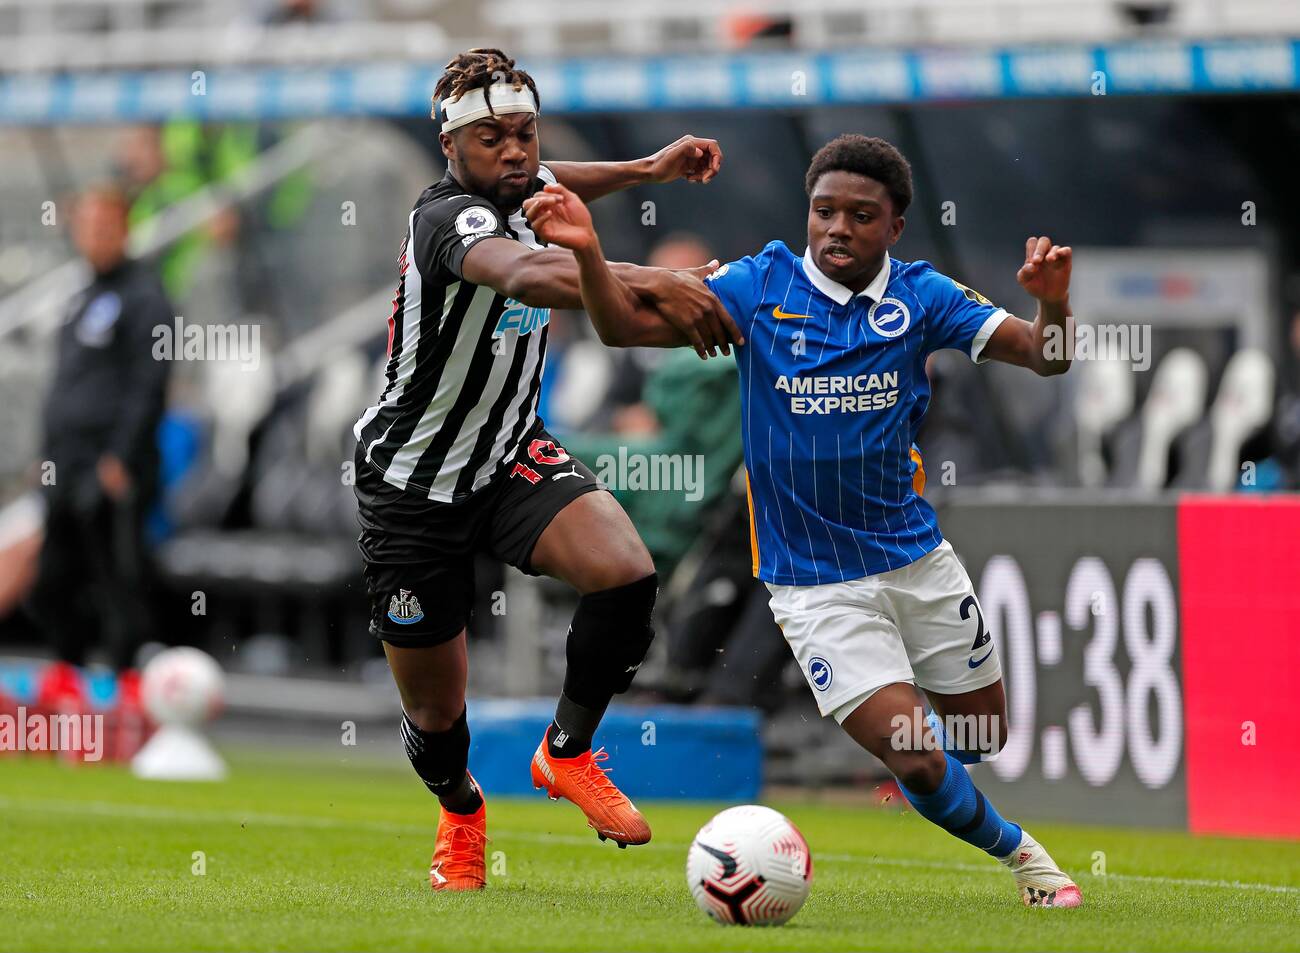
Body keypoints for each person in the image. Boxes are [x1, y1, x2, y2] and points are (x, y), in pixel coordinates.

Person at [525, 133, 1085, 908]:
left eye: (861, 216)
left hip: (916, 562)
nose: (838, 229)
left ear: (894, 226)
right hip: (813, 586)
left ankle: (947, 791)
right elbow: (623, 327)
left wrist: (1052, 300)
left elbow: (1047, 356)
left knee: (981, 739)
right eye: (824, 211)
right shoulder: (759, 287)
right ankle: (1026, 859)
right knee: (917, 759)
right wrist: (589, 251)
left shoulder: (923, 297)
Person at [352, 47, 741, 890]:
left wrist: (648, 167)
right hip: (414, 483)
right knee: (435, 715)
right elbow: (525, 271)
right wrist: (649, 275)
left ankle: (567, 754)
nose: (517, 152)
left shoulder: (526, 183)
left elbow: (562, 179)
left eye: (526, 134)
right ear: (452, 147)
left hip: (507, 453)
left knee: (626, 573)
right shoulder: (448, 217)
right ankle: (461, 812)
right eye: (493, 137)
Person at [28, 186, 172, 674]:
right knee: (51, 580)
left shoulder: (145, 297)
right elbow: (67, 383)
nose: (94, 235)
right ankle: (68, 675)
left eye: (104, 226)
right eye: (86, 225)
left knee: (116, 578)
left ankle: (123, 683)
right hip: (65, 464)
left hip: (109, 466)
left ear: (125, 230)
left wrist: (121, 456)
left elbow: (149, 385)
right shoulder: (80, 295)